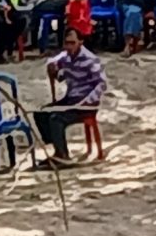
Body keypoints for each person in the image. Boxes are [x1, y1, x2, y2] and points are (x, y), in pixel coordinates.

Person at [35, 29, 106, 164]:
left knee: (56, 118)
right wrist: (52, 67)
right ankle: (57, 147)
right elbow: (54, 64)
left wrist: (88, 101)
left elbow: (102, 84)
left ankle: (62, 155)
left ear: (81, 42)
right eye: (67, 43)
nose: (69, 46)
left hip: (85, 103)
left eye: (72, 43)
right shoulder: (66, 57)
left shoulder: (90, 59)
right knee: (42, 113)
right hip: (71, 99)